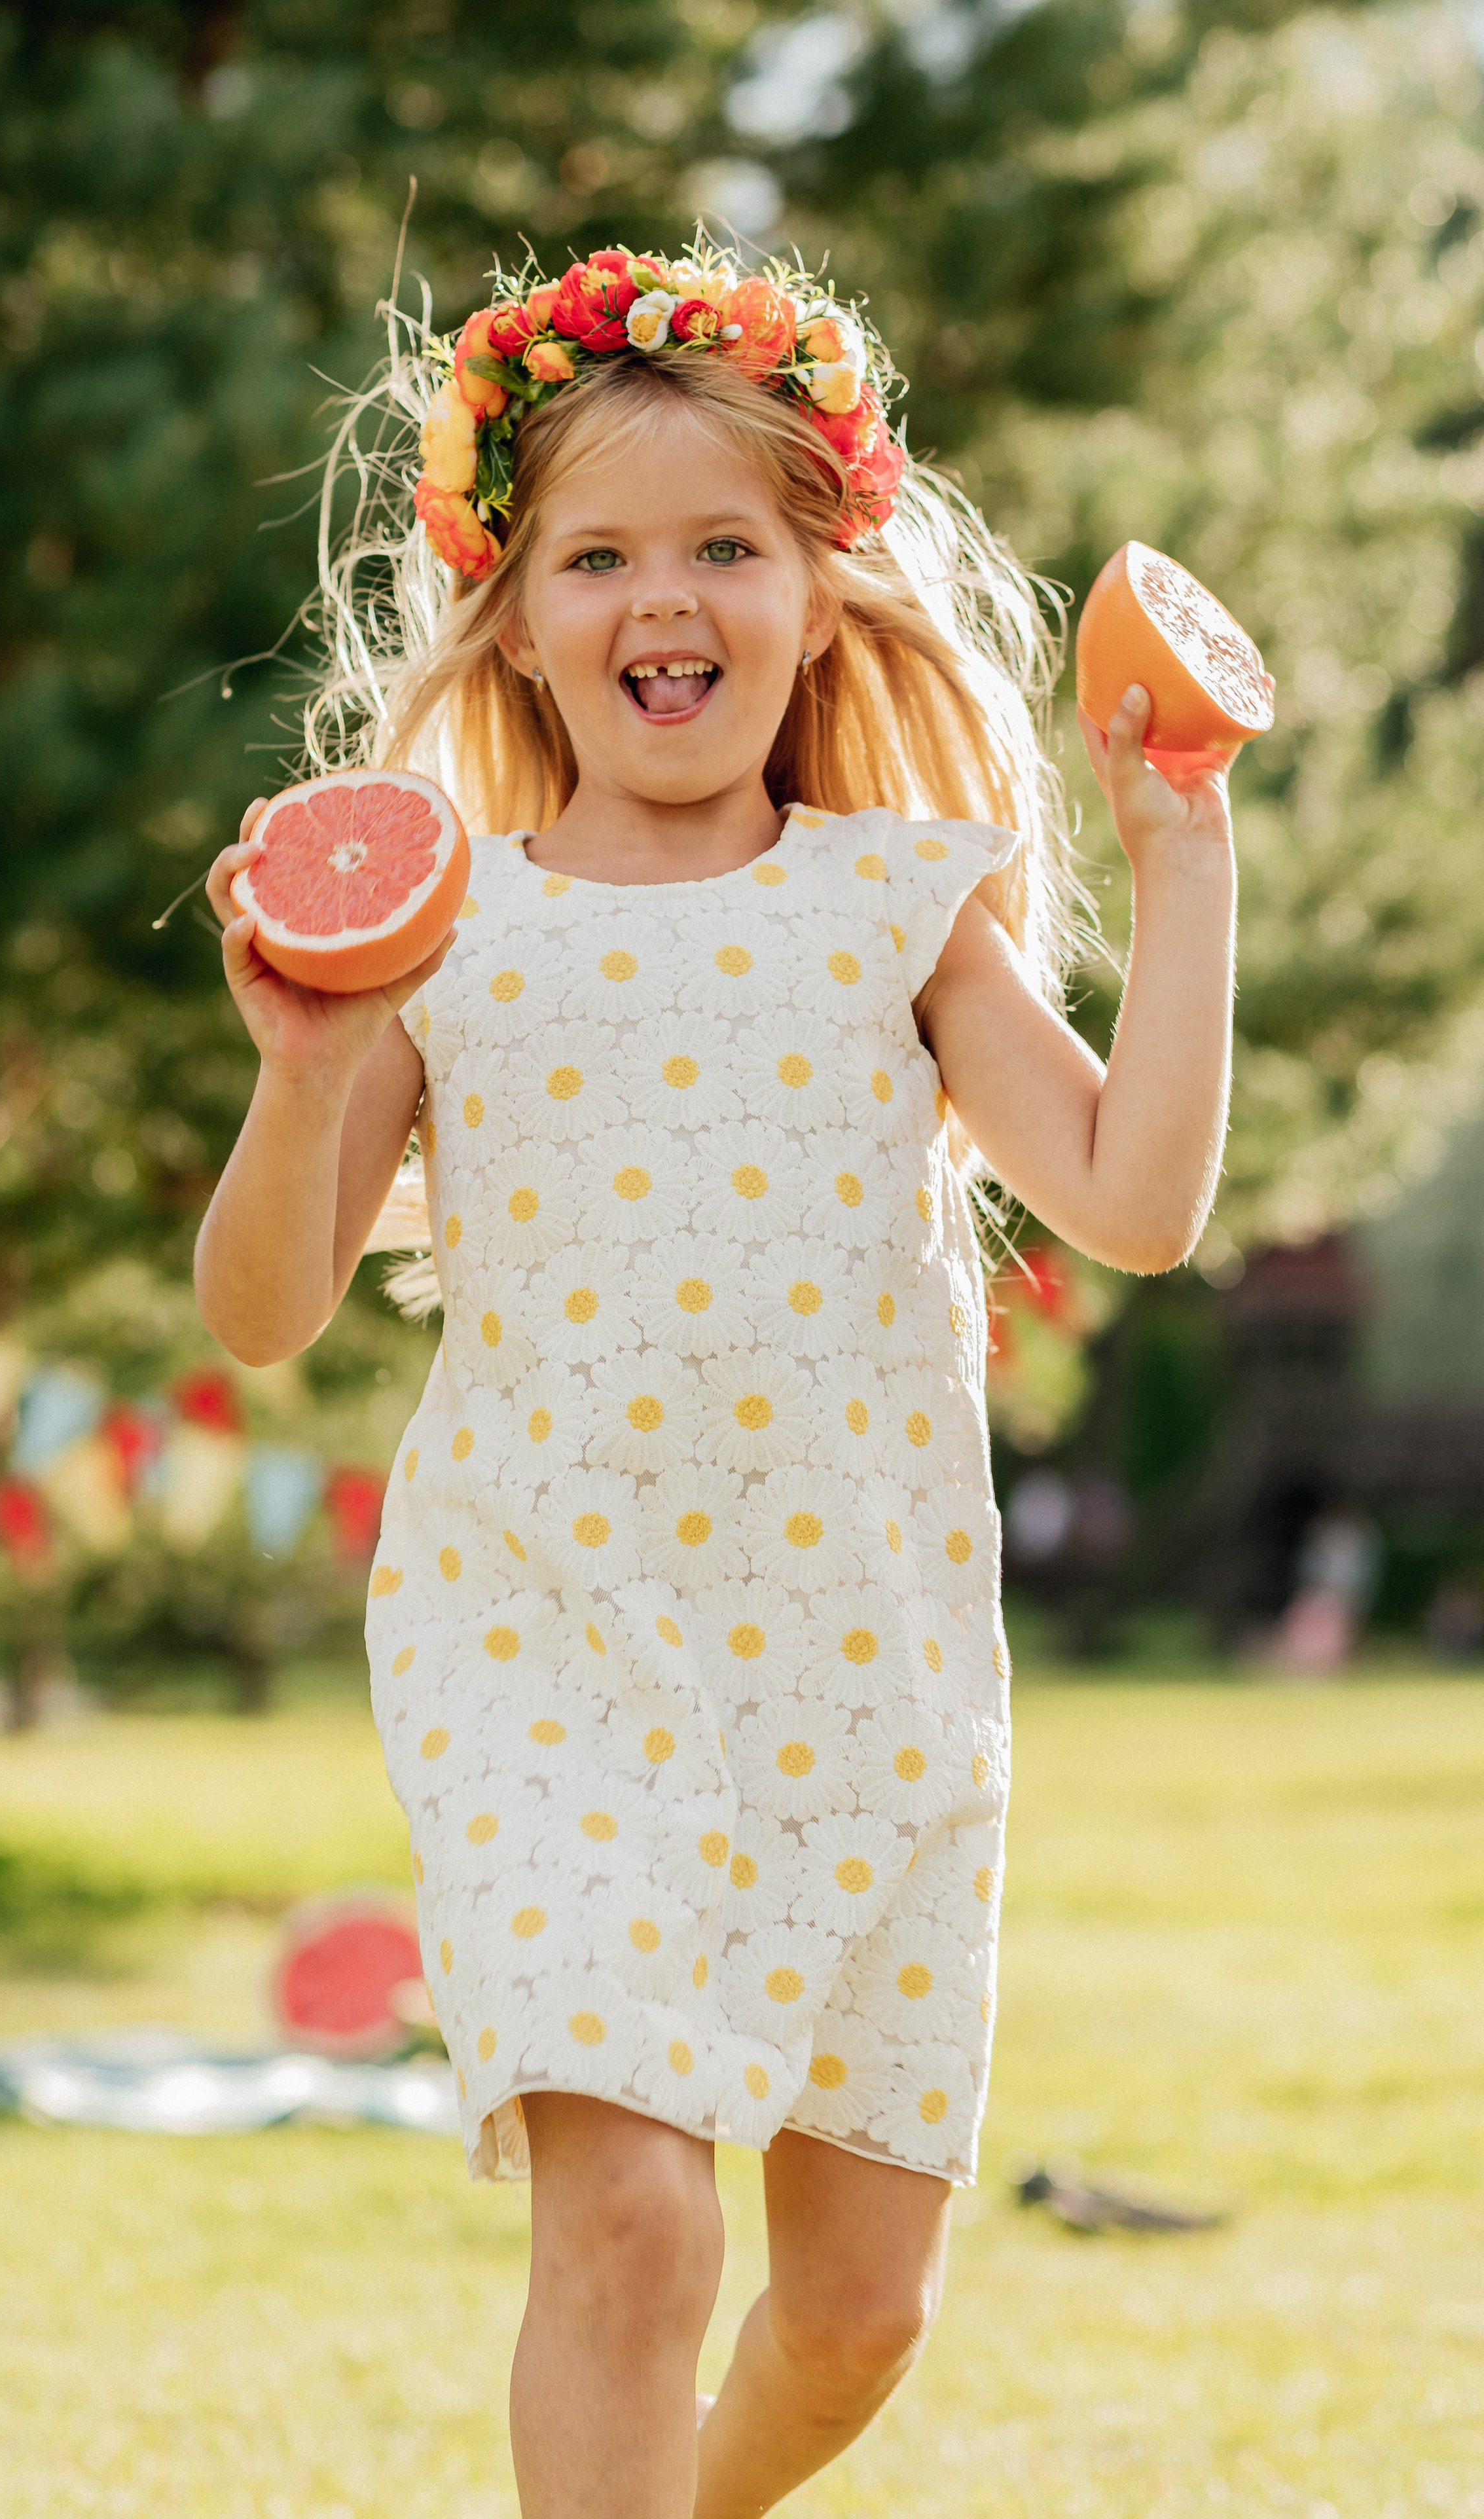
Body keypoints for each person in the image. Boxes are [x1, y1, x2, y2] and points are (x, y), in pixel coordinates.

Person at [194, 242, 1240, 2519]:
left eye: (722, 547)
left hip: (867, 1669)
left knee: (860, 2315)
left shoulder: (897, 908)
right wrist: (304, 1065)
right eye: (597, 555)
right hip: (547, 1647)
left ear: (818, 592)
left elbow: (1134, 1201)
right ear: (512, 618)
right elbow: (262, 1307)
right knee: (640, 2222)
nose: (661, 596)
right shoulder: (444, 931)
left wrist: (1183, 856)